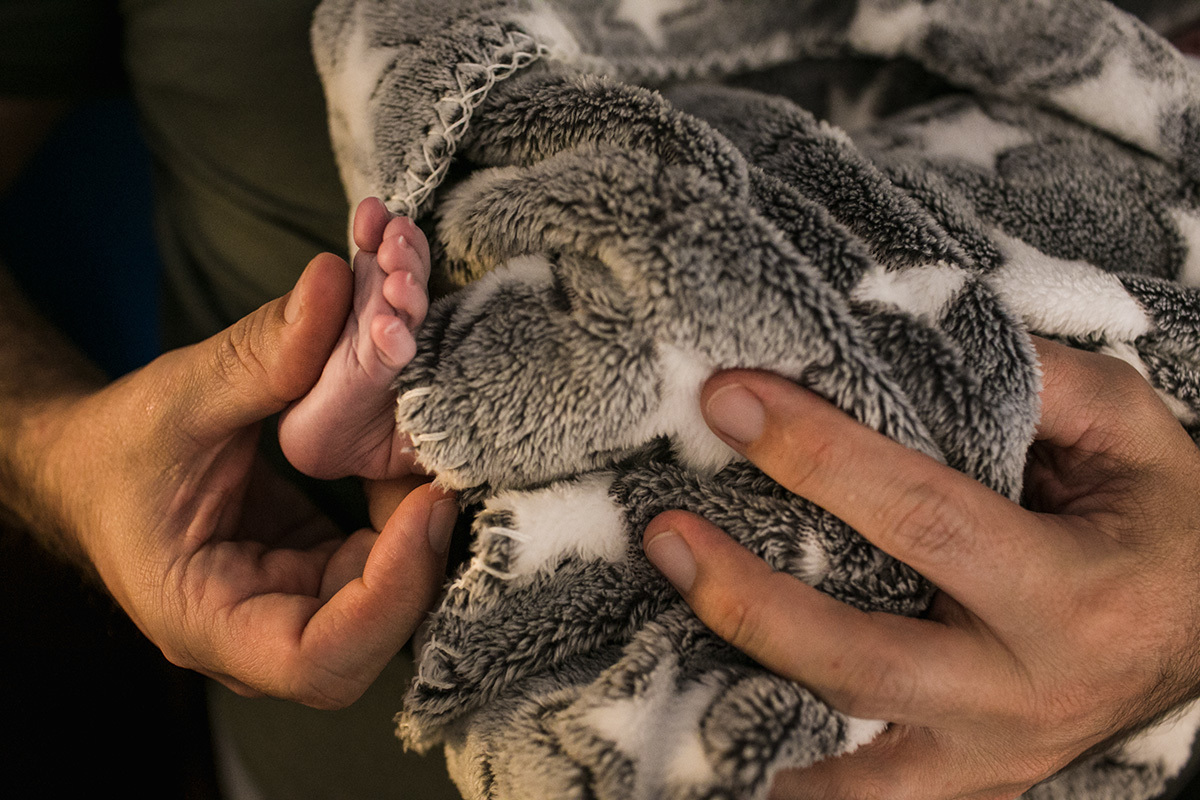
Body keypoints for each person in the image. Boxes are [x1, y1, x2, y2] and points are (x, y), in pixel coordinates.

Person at [2, 3, 1199, 800]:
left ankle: (436, 399)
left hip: (1035, 395)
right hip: (355, 691)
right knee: (644, 268)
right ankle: (434, 399)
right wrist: (52, 451)